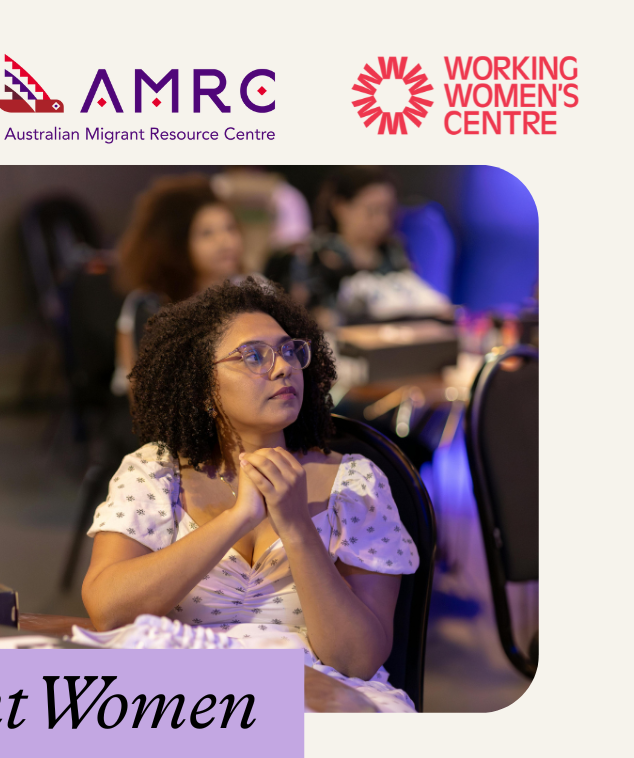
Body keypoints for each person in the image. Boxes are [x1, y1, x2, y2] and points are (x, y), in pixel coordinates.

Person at [82, 278, 418, 711]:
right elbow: (109, 612)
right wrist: (238, 518)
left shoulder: (355, 484)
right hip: (187, 697)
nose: (283, 368)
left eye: (290, 351)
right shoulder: (156, 473)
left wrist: (296, 527)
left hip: (314, 699)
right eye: (254, 356)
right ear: (203, 387)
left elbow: (356, 660)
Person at [112, 174, 245, 396]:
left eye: (230, 228)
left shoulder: (252, 290)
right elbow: (141, 396)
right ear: (176, 245)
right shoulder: (147, 306)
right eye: (207, 233)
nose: (225, 241)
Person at [302, 167, 414, 325]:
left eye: (388, 212)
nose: (382, 222)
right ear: (340, 207)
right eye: (372, 211)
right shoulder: (316, 255)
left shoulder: (393, 252)